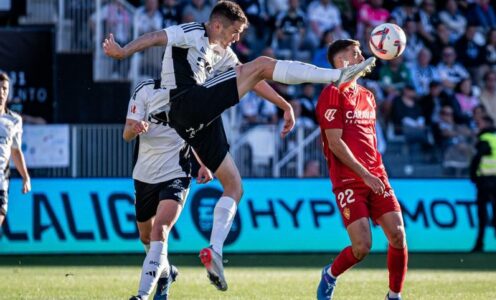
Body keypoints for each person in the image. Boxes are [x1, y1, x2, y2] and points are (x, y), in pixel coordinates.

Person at [103, 0, 376, 292]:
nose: (238, 38)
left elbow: (252, 79)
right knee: (261, 64)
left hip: (196, 123)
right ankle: (336, 76)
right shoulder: (193, 32)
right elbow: (157, 36)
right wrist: (124, 51)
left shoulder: (222, 53)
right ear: (218, 25)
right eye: (235, 31)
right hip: (184, 102)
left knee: (234, 186)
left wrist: (284, 105)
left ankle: (215, 252)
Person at [315, 39, 407, 300]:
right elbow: (335, 142)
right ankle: (330, 274)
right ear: (339, 61)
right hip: (348, 181)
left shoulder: (368, 96)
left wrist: (374, 172)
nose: (361, 57)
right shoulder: (331, 93)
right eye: (354, 53)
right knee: (362, 247)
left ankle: (394, 296)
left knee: (398, 235)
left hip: (377, 175)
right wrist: (364, 174)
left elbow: (369, 140)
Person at [125, 79, 213, 300]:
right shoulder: (145, 90)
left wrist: (203, 164)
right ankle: (166, 273)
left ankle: (142, 295)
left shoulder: (190, 92)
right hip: (144, 175)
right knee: (146, 237)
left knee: (160, 230)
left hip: (177, 173)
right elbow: (126, 134)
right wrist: (135, 128)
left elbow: (195, 136)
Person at [470, 115, 496, 253]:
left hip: (485, 181)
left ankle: (480, 243)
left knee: (482, 214)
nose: (477, 126)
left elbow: (477, 159)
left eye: (479, 123)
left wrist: (473, 176)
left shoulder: (485, 140)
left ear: (486, 124)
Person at [0, 72, 31, 228]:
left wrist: (25, 177)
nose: (1, 92)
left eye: (5, 89)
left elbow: (16, 150)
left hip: (1, 180)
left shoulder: (14, 120)